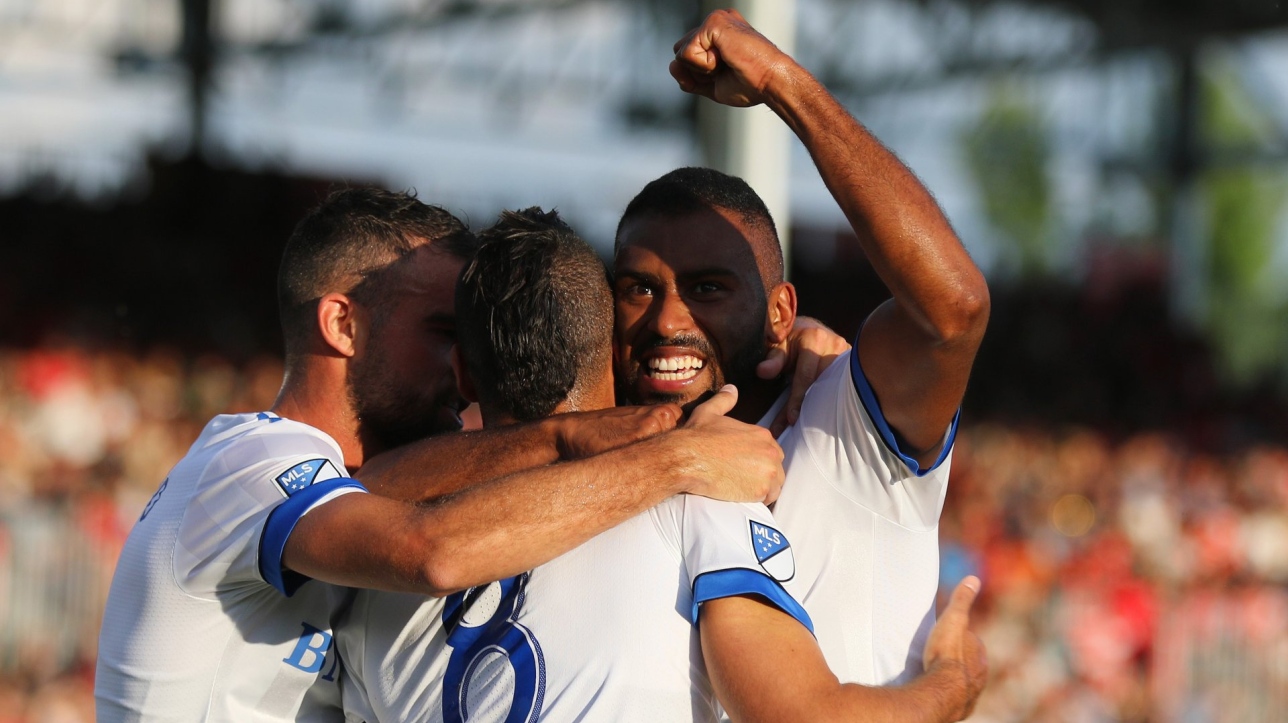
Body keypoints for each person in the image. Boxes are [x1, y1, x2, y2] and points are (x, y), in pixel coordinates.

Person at [94, 188, 785, 722]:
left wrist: (796, 344)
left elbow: (383, 485)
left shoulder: (344, 490)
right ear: (342, 323)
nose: (462, 363)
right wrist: (677, 459)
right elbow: (431, 551)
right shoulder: (246, 465)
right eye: (440, 330)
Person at [336, 207, 986, 723]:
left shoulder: (365, 567)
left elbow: (348, 495)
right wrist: (950, 685)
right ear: (615, 351)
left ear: (461, 376)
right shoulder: (689, 486)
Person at [612, 10, 991, 686]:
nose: (668, 318)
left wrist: (782, 83)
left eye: (706, 288)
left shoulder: (840, 423)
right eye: (639, 289)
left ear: (780, 312)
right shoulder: (594, 463)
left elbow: (952, 313)